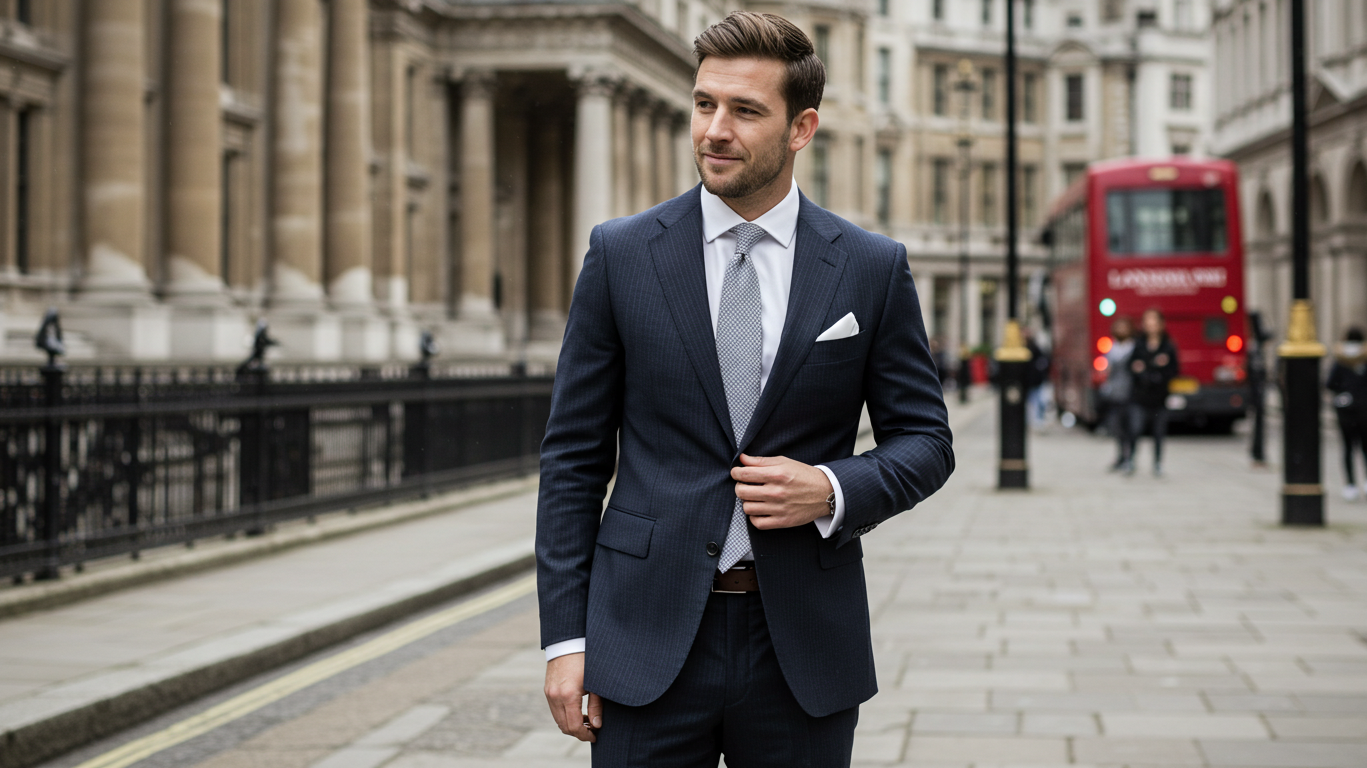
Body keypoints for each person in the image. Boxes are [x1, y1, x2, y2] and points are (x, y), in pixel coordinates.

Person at [536, 12, 955, 767]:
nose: (714, 130)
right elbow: (571, 460)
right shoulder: (621, 254)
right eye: (703, 104)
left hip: (801, 647)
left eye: (744, 110)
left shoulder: (868, 266)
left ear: (801, 128)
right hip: (644, 640)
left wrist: (829, 488)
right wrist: (566, 640)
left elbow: (926, 442)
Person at [1125, 308, 1180, 477]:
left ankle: (1157, 464)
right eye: (1147, 322)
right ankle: (1131, 460)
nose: (1151, 326)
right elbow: (1130, 366)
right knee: (1135, 429)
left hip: (1159, 397)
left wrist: (1160, 369)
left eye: (1154, 322)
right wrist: (1139, 369)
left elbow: (1175, 370)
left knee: (1158, 433)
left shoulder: (1168, 346)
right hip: (1139, 396)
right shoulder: (1139, 344)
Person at [1327, 327, 1367, 501]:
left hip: (1345, 412)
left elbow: (1330, 384)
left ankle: (1350, 485)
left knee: (1348, 448)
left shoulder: (1340, 360)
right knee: (1366, 448)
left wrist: (1343, 392)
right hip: (1365, 410)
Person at [1100, 316, 1136, 471]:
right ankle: (1121, 456)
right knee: (1117, 427)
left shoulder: (1135, 348)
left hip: (1131, 393)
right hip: (1115, 394)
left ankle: (1130, 458)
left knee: (1131, 428)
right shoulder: (1112, 348)